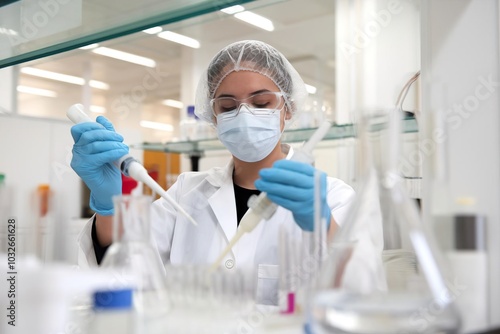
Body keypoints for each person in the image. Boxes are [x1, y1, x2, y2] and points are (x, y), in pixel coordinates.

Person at [71, 40, 355, 304]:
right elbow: (126, 271)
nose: (244, 115)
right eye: (228, 106)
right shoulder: (186, 192)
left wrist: (324, 225)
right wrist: (109, 207)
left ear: (288, 108)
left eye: (261, 103)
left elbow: (360, 292)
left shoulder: (335, 197)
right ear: (213, 116)